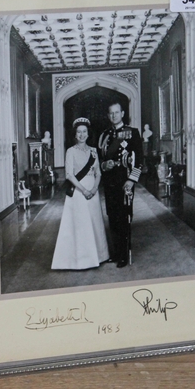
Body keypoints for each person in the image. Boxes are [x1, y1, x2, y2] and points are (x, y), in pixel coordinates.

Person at [51, 118, 109, 270]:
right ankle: (82, 260)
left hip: (93, 192)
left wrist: (95, 189)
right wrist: (84, 190)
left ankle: (99, 256)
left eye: (84, 131)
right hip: (78, 192)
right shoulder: (71, 151)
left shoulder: (94, 151)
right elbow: (69, 175)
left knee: (94, 222)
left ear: (88, 133)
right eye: (79, 132)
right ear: (75, 134)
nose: (82, 135)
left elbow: (98, 173)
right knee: (81, 225)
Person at [98, 103, 143, 268]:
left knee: (124, 217)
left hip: (125, 182)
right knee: (112, 217)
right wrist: (104, 165)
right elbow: (99, 159)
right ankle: (116, 253)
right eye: (111, 113)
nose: (114, 116)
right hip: (109, 182)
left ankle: (124, 254)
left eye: (117, 112)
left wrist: (131, 180)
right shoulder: (105, 135)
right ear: (108, 115)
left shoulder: (132, 133)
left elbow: (139, 161)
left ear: (122, 113)